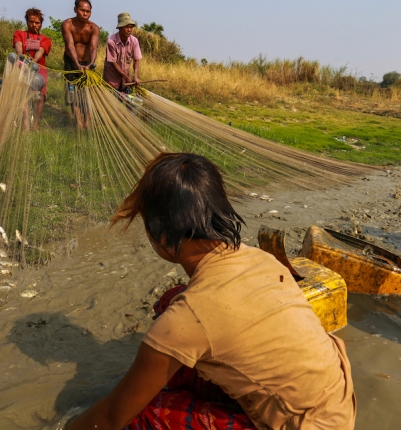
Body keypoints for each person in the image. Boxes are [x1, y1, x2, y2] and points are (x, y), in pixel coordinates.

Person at [63, 153, 356, 429]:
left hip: (305, 425)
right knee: (171, 301)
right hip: (337, 407)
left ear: (162, 238)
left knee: (143, 416)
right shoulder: (261, 259)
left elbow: (112, 416)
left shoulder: (187, 319)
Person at [61, 0, 99, 129]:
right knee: (72, 92)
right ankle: (78, 122)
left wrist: (91, 63)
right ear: (75, 10)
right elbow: (70, 45)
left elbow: (94, 47)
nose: (85, 14)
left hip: (87, 63)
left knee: (89, 92)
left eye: (88, 11)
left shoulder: (93, 28)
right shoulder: (67, 24)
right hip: (71, 62)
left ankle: (87, 122)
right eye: (82, 10)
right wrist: (77, 64)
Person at [12, 8, 52, 131]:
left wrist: (34, 60)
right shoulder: (19, 34)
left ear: (41, 23)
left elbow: (41, 51)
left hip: (40, 70)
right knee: (24, 96)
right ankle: (26, 127)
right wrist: (21, 56)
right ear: (27, 21)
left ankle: (35, 126)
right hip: (22, 67)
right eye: (31, 22)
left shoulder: (45, 39)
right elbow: (18, 46)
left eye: (37, 22)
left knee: (41, 97)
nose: (34, 25)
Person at [103, 12, 142, 92]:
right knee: (112, 102)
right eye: (126, 27)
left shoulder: (134, 41)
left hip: (125, 80)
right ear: (120, 28)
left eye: (131, 27)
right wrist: (126, 77)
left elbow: (136, 60)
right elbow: (114, 62)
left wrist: (135, 76)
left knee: (126, 101)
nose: (129, 30)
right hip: (112, 79)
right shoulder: (111, 41)